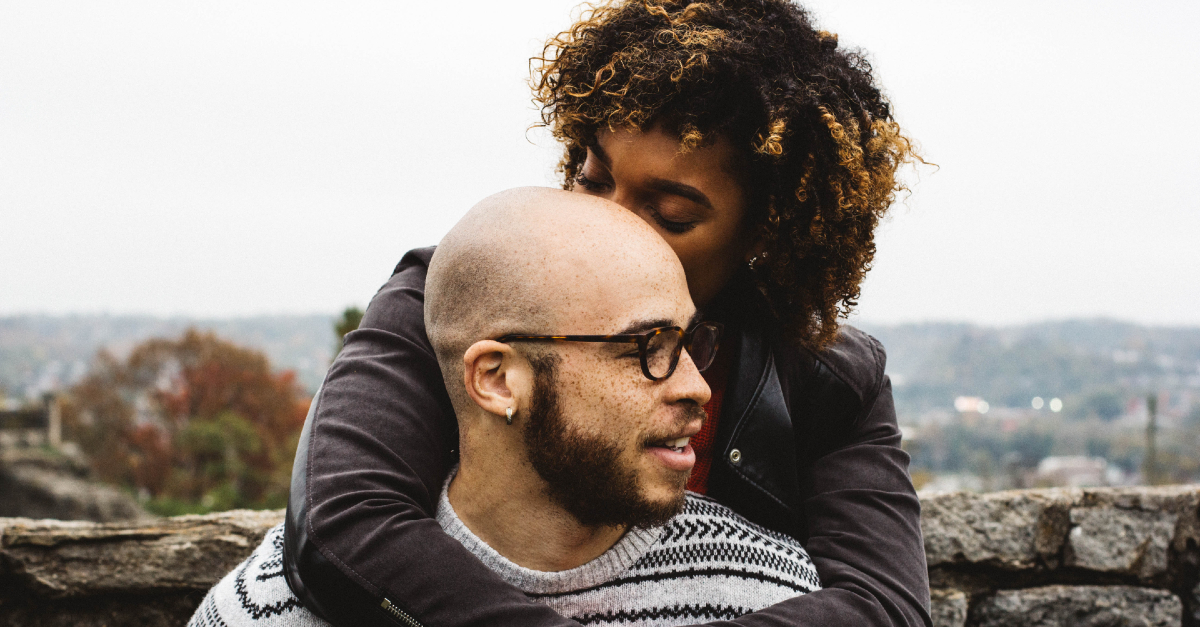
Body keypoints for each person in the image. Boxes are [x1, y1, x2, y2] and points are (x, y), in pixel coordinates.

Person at [284, 1, 930, 626]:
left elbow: (883, 606)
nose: (609, 220)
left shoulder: (830, 378)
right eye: (594, 181)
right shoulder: (458, 299)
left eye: (670, 214)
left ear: (763, 233)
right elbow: (342, 526)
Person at [191, 188, 820, 627]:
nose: (696, 386)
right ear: (496, 380)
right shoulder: (269, 611)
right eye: (646, 347)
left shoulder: (766, 592)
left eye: (691, 343)